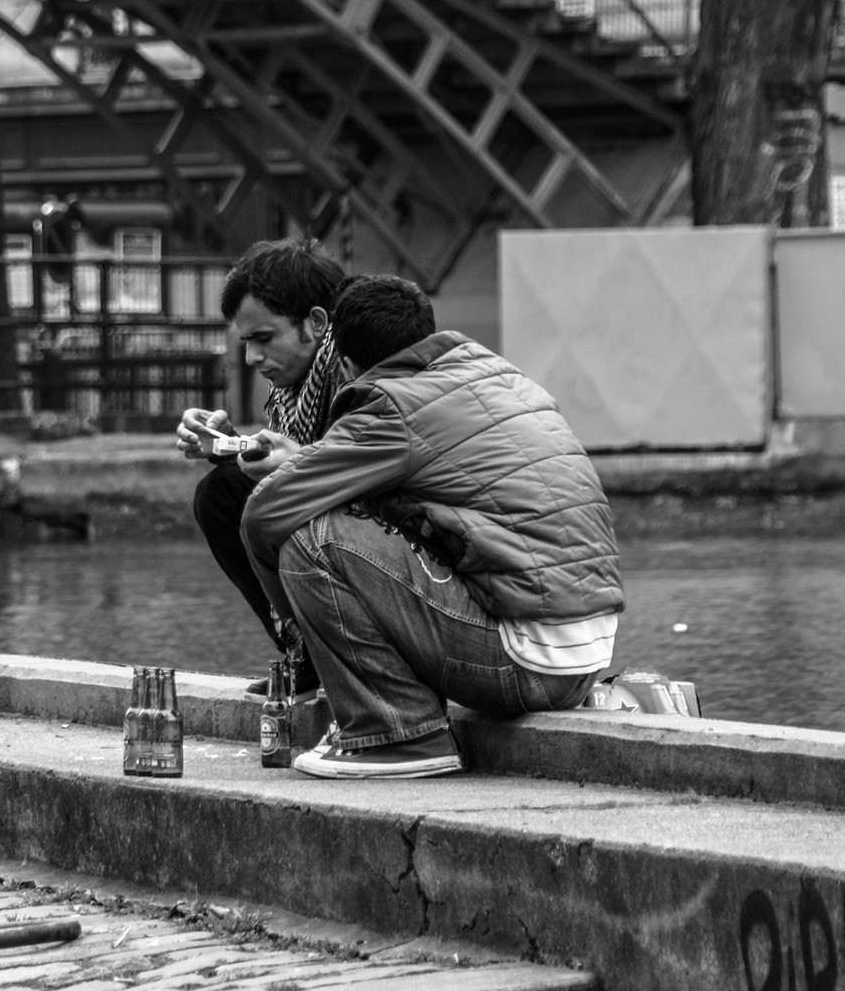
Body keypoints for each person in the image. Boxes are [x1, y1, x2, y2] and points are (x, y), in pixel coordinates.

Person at [239, 274, 624, 779]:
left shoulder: (385, 403)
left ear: (347, 365)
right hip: (587, 655)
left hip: (527, 666)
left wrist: (301, 631)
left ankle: (398, 732)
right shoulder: (500, 378)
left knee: (311, 539)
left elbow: (263, 514)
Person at [174, 237, 348, 702]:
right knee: (223, 492)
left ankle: (343, 657)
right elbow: (304, 456)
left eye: (264, 339)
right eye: (246, 342)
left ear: (314, 323)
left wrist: (278, 466)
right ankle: (308, 653)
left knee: (240, 496)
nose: (252, 359)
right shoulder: (300, 385)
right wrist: (228, 445)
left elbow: (360, 474)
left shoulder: (353, 371)